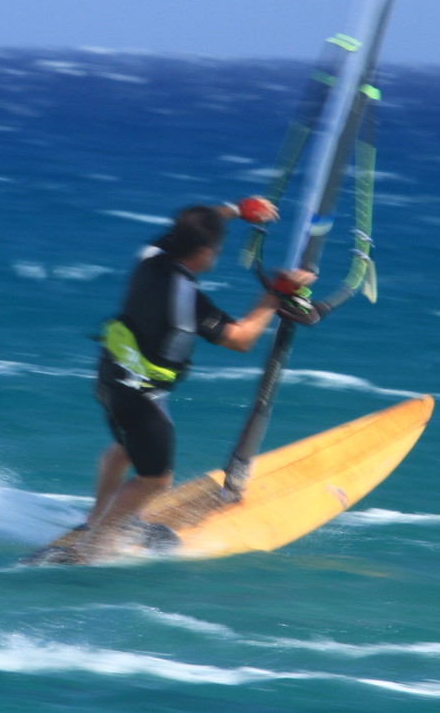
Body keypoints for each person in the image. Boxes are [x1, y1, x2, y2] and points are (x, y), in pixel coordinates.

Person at [71, 197, 314, 561]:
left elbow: (193, 223)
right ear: (203, 252)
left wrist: (237, 210)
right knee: (155, 480)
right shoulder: (184, 298)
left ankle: (96, 517)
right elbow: (241, 339)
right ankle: (95, 546)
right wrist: (275, 296)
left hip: (110, 373)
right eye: (216, 247)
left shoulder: (152, 256)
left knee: (125, 448)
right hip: (140, 396)